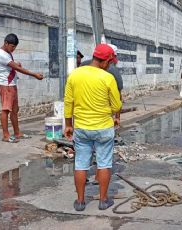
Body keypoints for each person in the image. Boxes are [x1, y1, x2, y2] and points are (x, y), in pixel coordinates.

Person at [64, 44, 122, 211]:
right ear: (105, 61)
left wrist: (68, 124)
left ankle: (81, 202)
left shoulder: (74, 75)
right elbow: (116, 104)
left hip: (81, 128)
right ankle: (103, 201)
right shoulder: (107, 78)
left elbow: (68, 101)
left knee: (81, 164)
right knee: (104, 163)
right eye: (110, 63)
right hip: (104, 128)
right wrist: (112, 114)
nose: (110, 66)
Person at [0, 33, 43, 143]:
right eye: (12, 46)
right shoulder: (1, 54)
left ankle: (17, 133)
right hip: (5, 85)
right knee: (6, 110)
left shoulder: (7, 52)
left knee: (15, 110)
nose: (14, 49)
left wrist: (16, 64)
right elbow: (17, 68)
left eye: (15, 47)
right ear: (6, 43)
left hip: (11, 84)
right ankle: (6, 136)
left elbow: (11, 66)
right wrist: (34, 74)